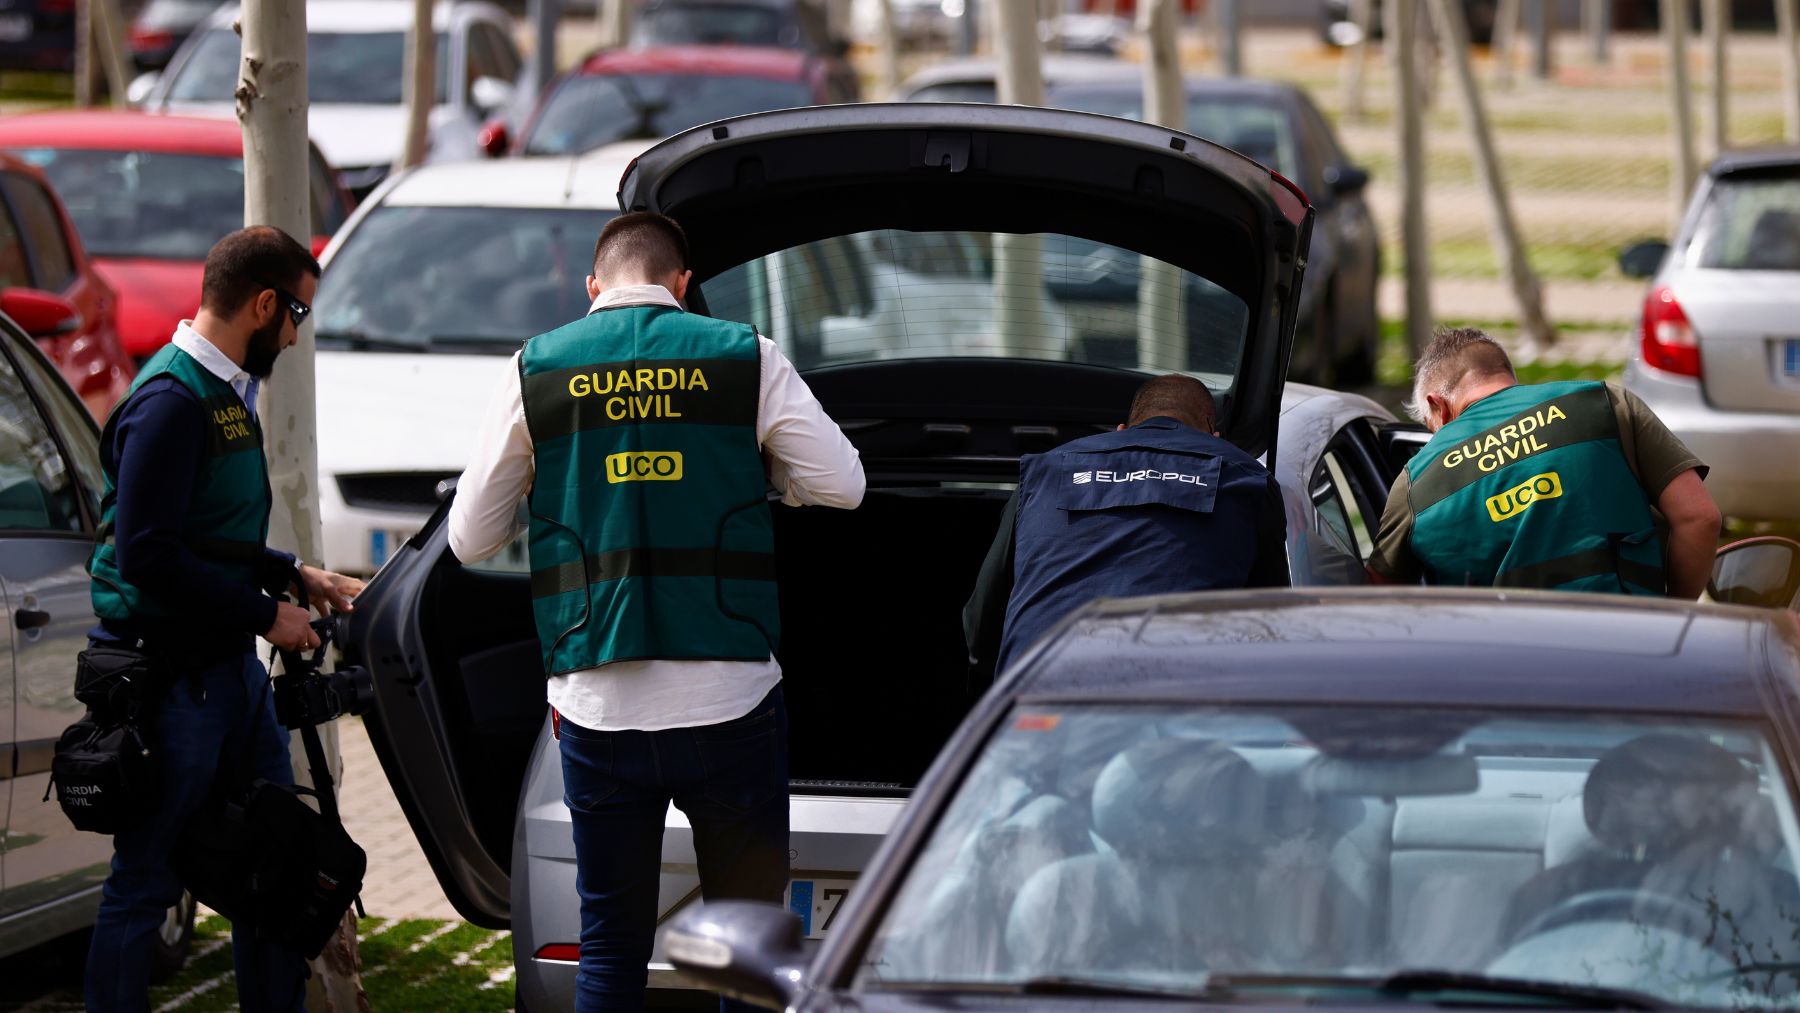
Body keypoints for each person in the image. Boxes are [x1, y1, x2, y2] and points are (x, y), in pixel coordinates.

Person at [449, 211, 865, 1011]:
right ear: (682, 284)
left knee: (609, 946)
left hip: (599, 708)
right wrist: (768, 479)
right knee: (743, 946)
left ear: (593, 287)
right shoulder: (744, 355)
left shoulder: (538, 367)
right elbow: (844, 484)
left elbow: (469, 538)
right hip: (731, 702)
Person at [84, 226, 364, 1012]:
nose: (297, 333)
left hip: (228, 677)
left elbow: (207, 535)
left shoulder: (225, 392)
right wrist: (264, 613)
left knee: (276, 865)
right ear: (264, 304)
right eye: (297, 316)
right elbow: (146, 554)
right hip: (172, 683)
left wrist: (288, 573)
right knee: (146, 880)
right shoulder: (171, 401)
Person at [965, 374, 1289, 674]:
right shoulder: (1247, 479)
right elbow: (1274, 624)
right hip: (1178, 703)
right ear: (1213, 435)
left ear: (1121, 430)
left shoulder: (1046, 471)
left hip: (1039, 698)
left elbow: (982, 622)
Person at [1367, 327, 1721, 597]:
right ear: (1507, 377)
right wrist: (1669, 619)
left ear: (1437, 407)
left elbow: (1378, 600)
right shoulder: (1604, 403)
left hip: (1500, 674)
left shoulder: (1416, 481)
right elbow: (1699, 518)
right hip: (1629, 651)